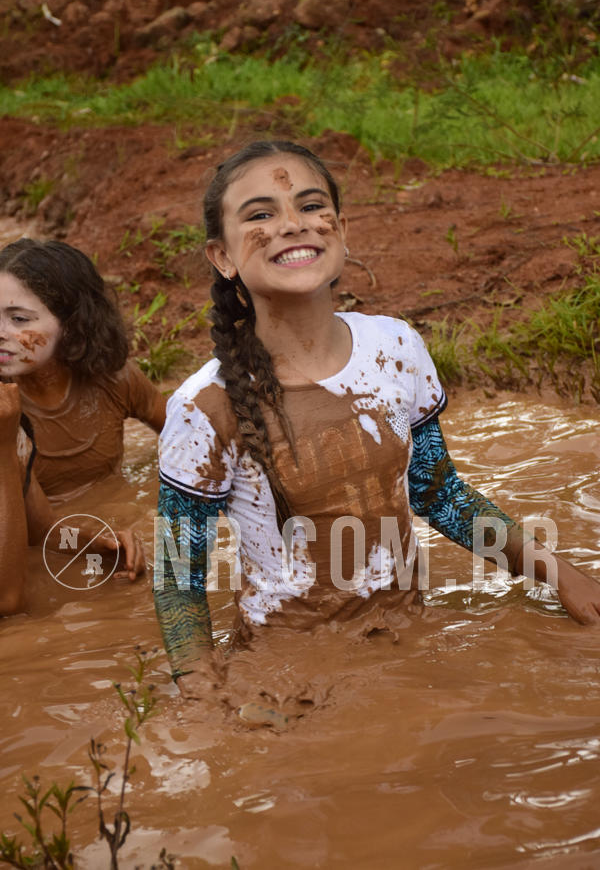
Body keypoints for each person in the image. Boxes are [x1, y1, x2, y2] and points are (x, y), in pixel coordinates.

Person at [154, 140, 600, 701]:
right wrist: (204, 700)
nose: (294, 225)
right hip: (288, 677)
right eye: (261, 214)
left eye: (312, 207)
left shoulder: (395, 347)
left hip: (409, 640)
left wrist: (559, 574)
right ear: (222, 257)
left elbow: (438, 494)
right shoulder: (203, 405)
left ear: (340, 228)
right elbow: (177, 578)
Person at [0, 239, 166, 503]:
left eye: (18, 319)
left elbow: (190, 439)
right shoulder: (5, 409)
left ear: (70, 323)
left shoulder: (114, 379)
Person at [0, 382, 145, 615]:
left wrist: (96, 543)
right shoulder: (5, 436)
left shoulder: (11, 431)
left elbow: (45, 532)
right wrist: (3, 447)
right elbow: (7, 601)